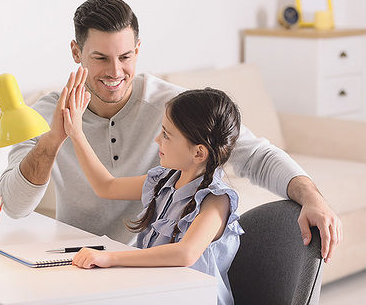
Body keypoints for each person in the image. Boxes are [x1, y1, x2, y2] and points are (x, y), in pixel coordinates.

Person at [0, 0, 342, 263]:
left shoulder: (174, 109)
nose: (116, 72)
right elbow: (14, 207)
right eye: (101, 58)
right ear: (77, 52)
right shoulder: (48, 114)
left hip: (147, 265)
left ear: (138, 50)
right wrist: (55, 138)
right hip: (77, 259)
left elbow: (256, 155)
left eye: (126, 57)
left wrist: (314, 199)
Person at [63, 83, 243, 304]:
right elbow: (106, 186)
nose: (157, 140)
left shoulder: (216, 201)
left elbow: (185, 253)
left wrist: (110, 258)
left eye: (166, 135)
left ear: (199, 152)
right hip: (156, 293)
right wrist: (76, 134)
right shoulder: (164, 180)